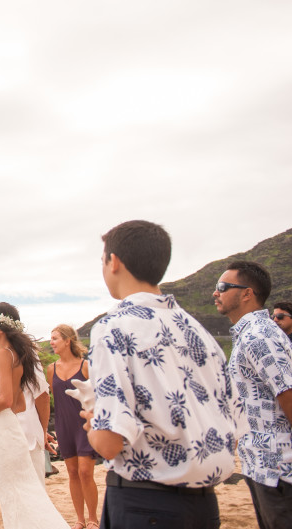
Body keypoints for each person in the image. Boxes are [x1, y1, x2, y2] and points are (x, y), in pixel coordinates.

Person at [82, 220, 236, 529]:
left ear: (114, 262)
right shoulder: (198, 330)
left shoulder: (113, 328)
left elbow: (110, 442)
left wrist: (91, 424)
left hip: (146, 504)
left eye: (102, 260)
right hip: (205, 505)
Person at [214, 261, 292, 528]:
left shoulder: (259, 335)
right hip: (262, 466)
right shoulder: (250, 335)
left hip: (283, 469)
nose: (215, 293)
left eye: (222, 287)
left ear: (247, 293)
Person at [0, 303, 68, 529]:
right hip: (5, 428)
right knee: (19, 489)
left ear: (0, 327)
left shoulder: (3, 353)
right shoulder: (14, 353)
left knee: (15, 490)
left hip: (4, 430)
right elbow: (19, 404)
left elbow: (7, 401)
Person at [47, 324, 98, 529]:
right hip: (63, 425)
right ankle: (80, 519)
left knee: (86, 472)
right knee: (72, 472)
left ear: (68, 341)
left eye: (55, 338)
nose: (51, 342)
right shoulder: (52, 369)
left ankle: (93, 518)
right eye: (51, 338)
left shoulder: (85, 366)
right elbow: (55, 399)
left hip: (84, 424)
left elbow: (97, 396)